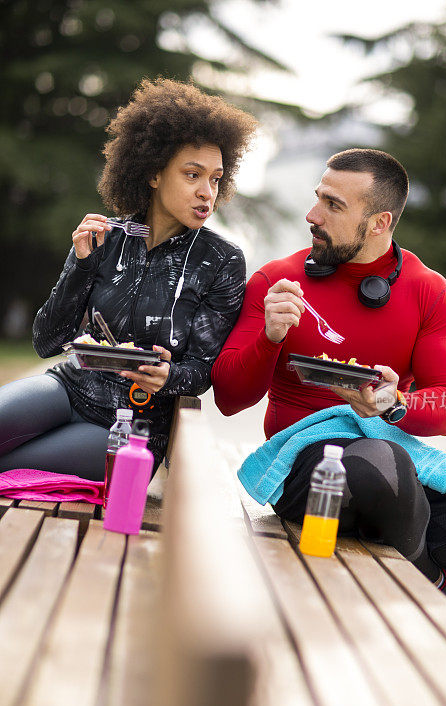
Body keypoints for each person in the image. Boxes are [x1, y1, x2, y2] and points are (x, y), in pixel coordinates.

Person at [211, 148, 446, 630]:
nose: (313, 215)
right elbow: (229, 397)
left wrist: (393, 403)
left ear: (380, 221)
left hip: (390, 456)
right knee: (383, 464)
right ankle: (407, 619)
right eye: (318, 198)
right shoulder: (278, 281)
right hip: (305, 467)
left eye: (334, 206)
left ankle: (426, 650)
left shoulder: (429, 292)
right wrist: (269, 338)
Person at [0, 78, 257, 480]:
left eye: (216, 179)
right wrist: (82, 264)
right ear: (154, 174)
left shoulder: (221, 261)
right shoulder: (105, 237)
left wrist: (168, 375)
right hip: (66, 388)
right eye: (193, 175)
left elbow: (202, 371)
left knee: (7, 465)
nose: (207, 192)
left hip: (130, 427)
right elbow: (47, 341)